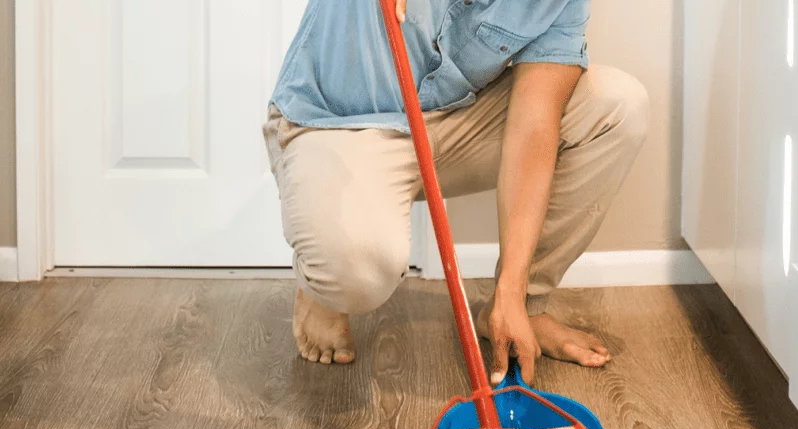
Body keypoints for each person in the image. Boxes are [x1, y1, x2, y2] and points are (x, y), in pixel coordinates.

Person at [264, 0, 648, 384]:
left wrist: (513, 292)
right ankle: (326, 292)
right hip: (340, 126)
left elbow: (534, 126)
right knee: (353, 274)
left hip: (455, 123)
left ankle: (518, 310)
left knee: (616, 105)